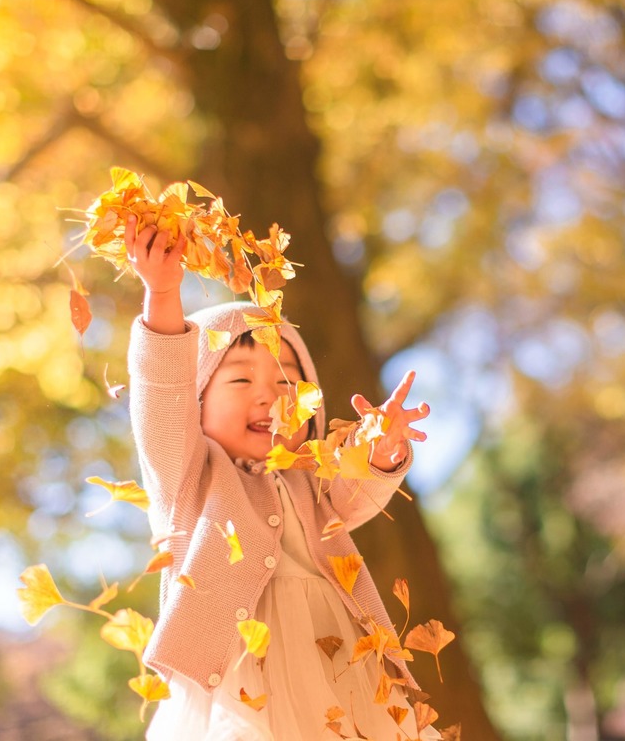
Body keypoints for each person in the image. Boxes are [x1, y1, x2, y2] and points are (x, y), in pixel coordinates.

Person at [122, 214, 440, 741]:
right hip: (239, 676)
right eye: (241, 377)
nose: (269, 395)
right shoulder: (188, 478)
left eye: (288, 381)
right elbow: (160, 393)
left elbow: (355, 489)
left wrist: (381, 447)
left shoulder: (308, 481)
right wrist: (161, 294)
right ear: (194, 400)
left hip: (339, 669)